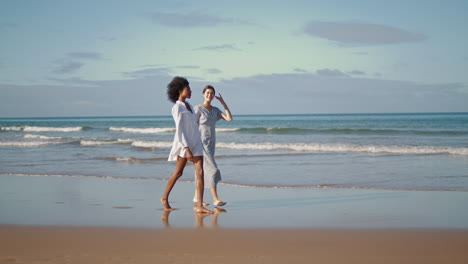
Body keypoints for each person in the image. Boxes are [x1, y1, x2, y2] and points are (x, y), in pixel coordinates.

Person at [161, 77, 212, 214]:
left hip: (196, 142)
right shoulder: (177, 107)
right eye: (187, 89)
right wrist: (186, 148)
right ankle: (164, 198)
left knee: (200, 173)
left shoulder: (189, 106)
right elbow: (180, 129)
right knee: (178, 173)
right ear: (179, 91)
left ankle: (199, 205)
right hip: (185, 144)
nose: (190, 91)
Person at [193, 85, 233, 206]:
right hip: (201, 143)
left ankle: (196, 197)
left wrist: (223, 102)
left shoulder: (215, 110)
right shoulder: (198, 109)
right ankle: (215, 198)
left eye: (211, 93)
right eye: (207, 93)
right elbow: (193, 126)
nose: (209, 95)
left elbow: (229, 118)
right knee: (213, 170)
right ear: (203, 94)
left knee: (201, 170)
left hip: (211, 144)